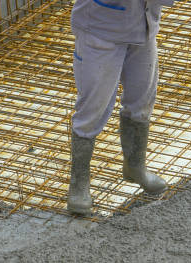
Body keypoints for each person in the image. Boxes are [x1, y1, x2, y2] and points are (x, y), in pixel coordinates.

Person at [67, 0, 174, 215]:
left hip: (143, 28)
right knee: (93, 108)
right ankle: (79, 184)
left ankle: (135, 167)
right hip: (102, 31)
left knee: (142, 98)